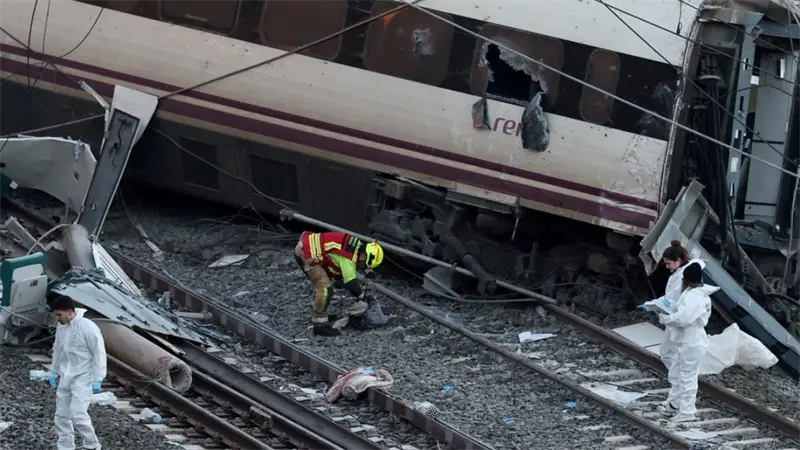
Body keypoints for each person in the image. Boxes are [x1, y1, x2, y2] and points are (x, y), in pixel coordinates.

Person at [294, 231, 384, 336]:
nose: (362, 266)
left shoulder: (356, 246)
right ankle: (320, 326)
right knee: (325, 289)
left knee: (322, 285)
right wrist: (363, 296)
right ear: (364, 256)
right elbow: (350, 283)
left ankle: (318, 313)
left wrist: (368, 273)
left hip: (307, 248)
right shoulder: (348, 258)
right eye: (365, 265)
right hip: (306, 254)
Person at [657, 261, 715, 420]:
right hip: (687, 339)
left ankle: (687, 412)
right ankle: (674, 404)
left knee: (687, 377)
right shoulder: (699, 294)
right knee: (676, 372)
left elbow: (684, 319)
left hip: (691, 340)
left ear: (686, 279)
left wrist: (666, 319)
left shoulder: (693, 296)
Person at [49, 295, 107, 450]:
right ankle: (65, 446)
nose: (57, 318)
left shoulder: (88, 327)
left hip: (83, 376)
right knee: (61, 416)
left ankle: (92, 445)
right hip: (66, 375)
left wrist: (98, 378)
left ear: (69, 312)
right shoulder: (62, 327)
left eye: (59, 314)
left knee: (78, 415)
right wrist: (54, 371)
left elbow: (99, 353)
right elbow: (58, 349)